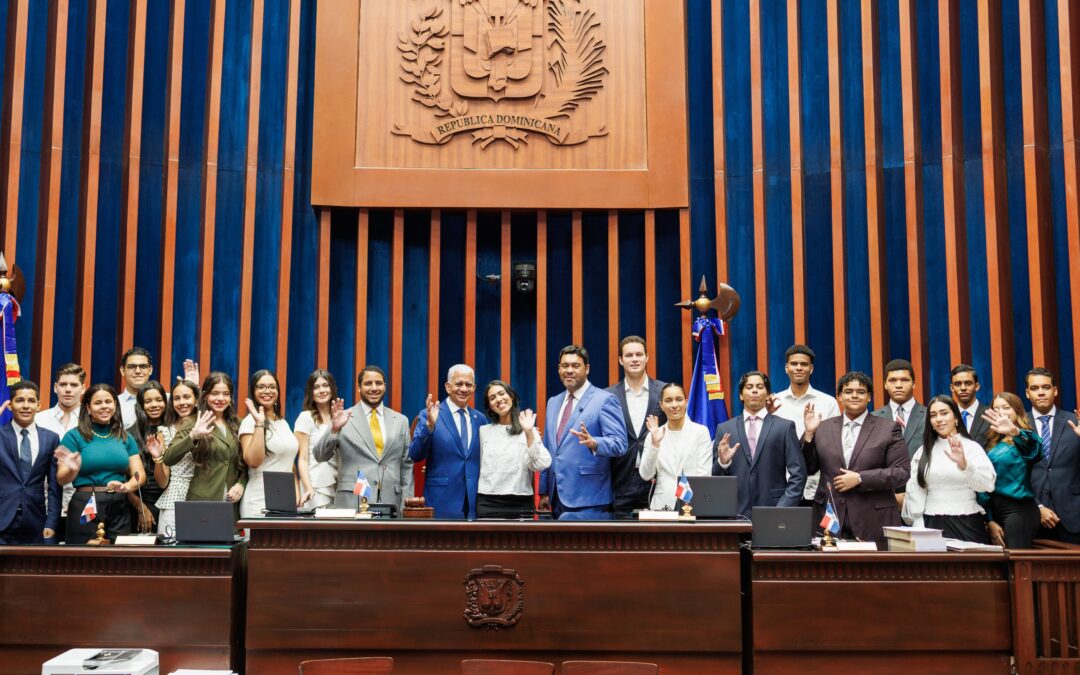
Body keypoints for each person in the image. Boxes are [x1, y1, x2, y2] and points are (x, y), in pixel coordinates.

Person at [801, 371, 909, 547]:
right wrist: (808, 435)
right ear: (840, 397)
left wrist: (860, 478)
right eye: (848, 391)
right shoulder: (823, 427)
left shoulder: (888, 429)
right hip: (830, 518)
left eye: (860, 391)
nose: (854, 395)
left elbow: (901, 473)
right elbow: (807, 468)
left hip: (873, 517)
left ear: (869, 397)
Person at [538, 345, 628, 520]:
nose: (569, 370)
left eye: (575, 366)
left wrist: (595, 443)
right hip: (555, 498)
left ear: (587, 368)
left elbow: (620, 443)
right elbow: (548, 450)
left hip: (589, 499)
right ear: (558, 369)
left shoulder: (605, 400)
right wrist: (544, 491)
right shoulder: (553, 402)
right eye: (565, 366)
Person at [54, 384, 146, 542]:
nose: (104, 406)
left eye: (108, 402)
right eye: (98, 403)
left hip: (119, 503)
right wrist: (72, 469)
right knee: (84, 558)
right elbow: (61, 479)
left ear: (115, 405)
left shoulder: (125, 437)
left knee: (119, 560)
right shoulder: (74, 436)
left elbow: (140, 476)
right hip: (87, 502)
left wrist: (127, 487)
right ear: (88, 408)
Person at [315, 366, 414, 511]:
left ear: (385, 387)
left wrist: (407, 505)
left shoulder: (401, 421)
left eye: (378, 383)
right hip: (352, 502)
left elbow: (406, 467)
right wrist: (334, 429)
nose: (374, 388)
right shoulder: (344, 417)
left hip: (391, 503)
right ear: (358, 388)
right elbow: (320, 455)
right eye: (368, 383)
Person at [902, 396, 996, 543]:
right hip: (931, 524)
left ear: (956, 418)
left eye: (944, 413)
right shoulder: (923, 451)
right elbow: (916, 490)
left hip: (967, 521)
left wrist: (965, 465)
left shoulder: (972, 447)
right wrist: (918, 522)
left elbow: (987, 485)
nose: (939, 419)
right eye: (933, 415)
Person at [712, 371, 806, 517]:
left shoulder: (784, 427)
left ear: (768, 394)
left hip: (774, 511)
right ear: (741, 395)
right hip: (735, 513)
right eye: (749, 387)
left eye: (759, 386)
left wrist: (783, 508)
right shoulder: (724, 429)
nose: (754, 390)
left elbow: (798, 474)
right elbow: (716, 478)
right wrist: (723, 462)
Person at [162, 372, 247, 523]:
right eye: (215, 393)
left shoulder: (238, 424)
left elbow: (245, 463)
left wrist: (241, 483)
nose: (220, 399)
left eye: (225, 394)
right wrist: (193, 435)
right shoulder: (194, 421)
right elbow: (169, 457)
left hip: (231, 502)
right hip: (202, 500)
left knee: (229, 546)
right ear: (205, 395)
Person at [409, 364, 487, 519]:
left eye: (468, 385)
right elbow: (415, 455)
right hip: (442, 499)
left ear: (474, 388)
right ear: (448, 386)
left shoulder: (480, 419)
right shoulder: (429, 414)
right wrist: (429, 426)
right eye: (459, 384)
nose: (464, 389)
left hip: (474, 502)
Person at [771, 345, 840, 505]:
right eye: (794, 364)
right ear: (786, 368)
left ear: (812, 368)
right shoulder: (774, 403)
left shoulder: (828, 402)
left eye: (804, 364)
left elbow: (834, 447)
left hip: (816, 487)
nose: (799, 368)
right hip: (781, 486)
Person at [606, 336, 666, 518]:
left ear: (647, 357)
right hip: (620, 480)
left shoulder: (664, 392)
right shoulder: (607, 396)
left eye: (639, 354)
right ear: (620, 360)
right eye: (629, 355)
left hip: (658, 480)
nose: (634, 359)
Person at [476, 380, 550, 518]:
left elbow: (541, 464)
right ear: (490, 407)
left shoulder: (529, 429)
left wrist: (529, 433)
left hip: (521, 501)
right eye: (492, 398)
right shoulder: (483, 431)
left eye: (501, 393)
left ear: (512, 396)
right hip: (488, 501)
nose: (498, 399)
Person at [0, 381, 61, 544]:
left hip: (36, 520)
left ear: (39, 405)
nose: (26, 406)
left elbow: (55, 486)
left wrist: (52, 522)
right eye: (19, 400)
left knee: (34, 569)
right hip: (2, 519)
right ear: (10, 405)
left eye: (31, 401)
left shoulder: (51, 438)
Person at [980, 393, 1043, 548]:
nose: (1001, 411)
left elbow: (1035, 450)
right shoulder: (993, 442)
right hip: (995, 511)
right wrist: (989, 520)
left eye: (1006, 407)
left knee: (1017, 565)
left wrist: (1015, 431)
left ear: (1017, 411)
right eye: (996, 408)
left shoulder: (1024, 438)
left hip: (1018, 510)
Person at [1026, 368, 1080, 543]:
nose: (1041, 392)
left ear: (1055, 391)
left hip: (1074, 516)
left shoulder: (1075, 422)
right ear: (1027, 394)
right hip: (1032, 517)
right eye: (1034, 388)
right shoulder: (1017, 425)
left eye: (1046, 387)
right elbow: (1012, 476)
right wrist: (1037, 507)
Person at [239, 369, 302, 518]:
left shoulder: (282, 422)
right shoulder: (249, 422)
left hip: (285, 499)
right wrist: (259, 424)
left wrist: (297, 489)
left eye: (272, 387)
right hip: (259, 499)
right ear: (253, 391)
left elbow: (288, 460)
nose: (267, 391)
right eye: (261, 387)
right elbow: (253, 461)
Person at [638, 383, 711, 511]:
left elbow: (704, 473)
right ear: (661, 405)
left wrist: (688, 500)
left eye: (679, 399)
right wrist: (655, 445)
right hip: (661, 505)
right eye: (668, 400)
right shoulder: (654, 435)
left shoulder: (700, 432)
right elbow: (646, 475)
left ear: (686, 402)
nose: (674, 405)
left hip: (692, 503)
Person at [35, 362, 85, 542]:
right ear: (55, 387)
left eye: (74, 385)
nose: (68, 390)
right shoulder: (38, 419)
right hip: (43, 505)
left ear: (83, 388)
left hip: (82, 504)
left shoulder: (90, 422)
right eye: (63, 385)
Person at [151, 378, 200, 535]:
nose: (182, 402)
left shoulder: (207, 425)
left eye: (187, 397)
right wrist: (158, 459)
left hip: (204, 494)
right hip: (173, 498)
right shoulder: (164, 431)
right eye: (177, 398)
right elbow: (162, 482)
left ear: (197, 399)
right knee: (170, 554)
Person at [126, 381, 168, 533]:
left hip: (170, 501)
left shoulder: (173, 430)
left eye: (159, 400)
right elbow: (124, 479)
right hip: (139, 503)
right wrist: (140, 507)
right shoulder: (129, 434)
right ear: (140, 405)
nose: (154, 405)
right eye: (148, 401)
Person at [295, 370, 338, 509]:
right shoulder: (305, 417)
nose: (322, 390)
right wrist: (308, 488)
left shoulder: (339, 417)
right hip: (316, 485)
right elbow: (302, 458)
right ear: (310, 392)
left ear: (332, 388)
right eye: (316, 387)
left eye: (325, 385)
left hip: (339, 483)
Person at [871, 359, 926, 458]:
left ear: (914, 384)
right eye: (892, 380)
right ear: (885, 384)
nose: (898, 385)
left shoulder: (929, 415)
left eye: (905, 380)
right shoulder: (873, 418)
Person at [950, 364, 991, 446]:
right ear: (952, 388)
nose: (963, 388)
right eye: (958, 384)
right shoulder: (948, 416)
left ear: (977, 386)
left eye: (968, 383)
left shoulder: (990, 415)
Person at [117, 347, 154, 428]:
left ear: (150, 370)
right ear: (123, 371)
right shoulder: (114, 404)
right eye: (131, 366)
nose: (137, 371)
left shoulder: (165, 401)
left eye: (143, 366)